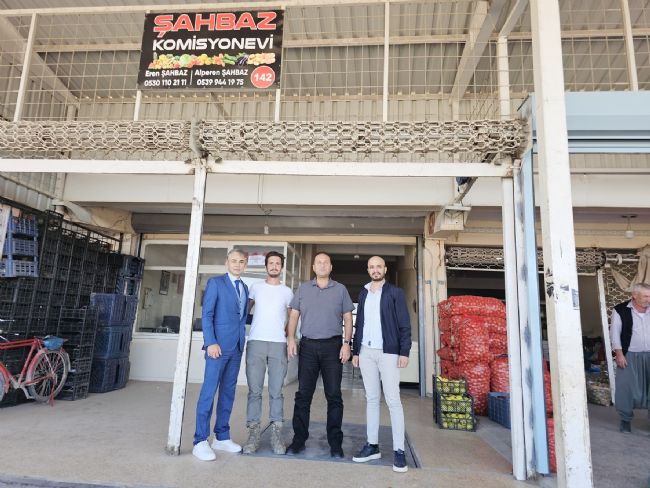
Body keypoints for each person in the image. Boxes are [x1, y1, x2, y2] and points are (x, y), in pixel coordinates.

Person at [286, 252, 354, 458]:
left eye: (326, 262)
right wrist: (291, 338)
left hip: (333, 347)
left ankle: (335, 443)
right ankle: (298, 440)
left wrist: (347, 344)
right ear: (314, 267)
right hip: (308, 347)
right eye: (319, 263)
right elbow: (294, 316)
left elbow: (348, 318)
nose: (322, 265)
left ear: (331, 267)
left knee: (334, 396)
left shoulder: (340, 289)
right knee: (303, 395)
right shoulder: (303, 289)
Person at [351, 255, 412, 472]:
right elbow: (359, 323)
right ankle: (372, 445)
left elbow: (404, 324)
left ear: (385, 269)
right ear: (368, 270)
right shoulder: (364, 292)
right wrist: (355, 351)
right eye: (371, 267)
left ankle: (399, 451)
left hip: (388, 352)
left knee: (393, 400)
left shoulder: (395, 293)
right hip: (366, 351)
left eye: (379, 266)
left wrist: (404, 352)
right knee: (372, 399)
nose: (375, 270)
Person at [192, 249, 249, 461]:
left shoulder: (244, 287)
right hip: (217, 348)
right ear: (227, 263)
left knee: (228, 393)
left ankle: (222, 436)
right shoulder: (216, 283)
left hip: (236, 347)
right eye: (234, 261)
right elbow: (207, 315)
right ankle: (200, 440)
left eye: (241, 261)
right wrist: (211, 342)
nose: (237, 264)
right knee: (208, 392)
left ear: (245, 265)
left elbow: (241, 318)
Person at [242, 251, 294, 455]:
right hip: (256, 342)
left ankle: (276, 434)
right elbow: (243, 312)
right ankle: (254, 434)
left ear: (281, 267)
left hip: (278, 345)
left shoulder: (287, 292)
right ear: (266, 266)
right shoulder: (255, 288)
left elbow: (292, 318)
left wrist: (289, 337)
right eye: (271, 263)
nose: (274, 266)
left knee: (276, 392)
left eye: (277, 263)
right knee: (254, 391)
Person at [610, 282, 650, 433]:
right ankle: (625, 420)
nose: (649, 299)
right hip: (629, 355)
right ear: (634, 296)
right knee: (625, 388)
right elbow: (615, 334)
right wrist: (619, 354)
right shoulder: (620, 310)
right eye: (645, 296)